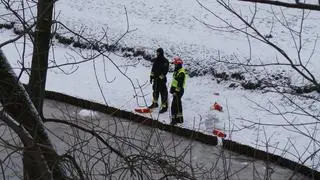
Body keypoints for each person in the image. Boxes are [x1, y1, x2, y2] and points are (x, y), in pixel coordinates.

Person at [148, 48, 169, 113]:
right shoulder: (156, 60)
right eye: (156, 52)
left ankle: (164, 107)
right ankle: (155, 103)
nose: (157, 53)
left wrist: (160, 77)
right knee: (155, 92)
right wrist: (151, 76)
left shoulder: (165, 61)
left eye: (158, 52)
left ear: (161, 53)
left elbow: (165, 71)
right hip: (155, 80)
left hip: (161, 81)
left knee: (163, 94)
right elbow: (153, 69)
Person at [170, 57, 187, 125]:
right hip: (176, 90)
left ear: (178, 65)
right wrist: (172, 89)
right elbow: (175, 81)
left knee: (175, 106)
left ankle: (175, 120)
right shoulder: (177, 71)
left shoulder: (181, 73)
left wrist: (176, 92)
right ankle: (179, 119)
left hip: (178, 91)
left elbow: (179, 84)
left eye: (175, 64)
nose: (175, 65)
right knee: (177, 105)